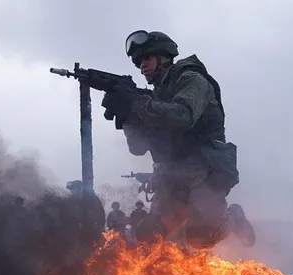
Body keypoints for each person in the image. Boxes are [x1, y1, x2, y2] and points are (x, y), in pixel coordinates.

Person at [101, 30, 255, 249]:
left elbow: (183, 116)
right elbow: (137, 148)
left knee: (202, 237)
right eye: (138, 62)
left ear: (164, 56)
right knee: (148, 234)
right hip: (171, 176)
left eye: (147, 58)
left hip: (204, 172)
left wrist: (136, 104)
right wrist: (126, 117)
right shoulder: (154, 97)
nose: (142, 65)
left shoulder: (191, 78)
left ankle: (234, 217)